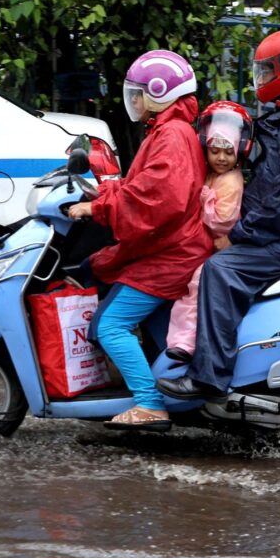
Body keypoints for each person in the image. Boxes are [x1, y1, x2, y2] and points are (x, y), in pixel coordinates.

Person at [157, 29, 280, 402]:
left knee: (221, 271)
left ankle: (209, 379)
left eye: (267, 71)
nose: (261, 79)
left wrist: (243, 233)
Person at [67, 50, 211, 432]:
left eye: (139, 93)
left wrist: (97, 209)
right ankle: (165, 391)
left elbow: (155, 201)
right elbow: (143, 187)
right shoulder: (168, 130)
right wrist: (105, 193)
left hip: (171, 253)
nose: (134, 101)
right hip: (172, 246)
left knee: (108, 326)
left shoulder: (172, 135)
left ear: (160, 93)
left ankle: (149, 404)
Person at [164, 101, 252, 363]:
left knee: (196, 286)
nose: (221, 158)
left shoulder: (231, 181)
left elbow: (221, 221)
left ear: (239, 150)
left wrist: (202, 198)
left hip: (217, 247)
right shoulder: (212, 174)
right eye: (215, 151)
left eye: (228, 151)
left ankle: (185, 344)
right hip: (203, 243)